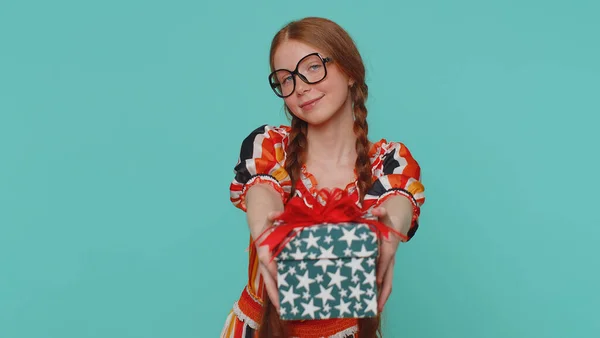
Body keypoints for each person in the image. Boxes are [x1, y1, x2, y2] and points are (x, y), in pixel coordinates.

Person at [220, 17, 425, 338]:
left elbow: (398, 199)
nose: (300, 86)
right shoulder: (270, 144)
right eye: (285, 79)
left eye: (313, 67)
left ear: (351, 72)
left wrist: (390, 233)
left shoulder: (389, 161)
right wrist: (264, 232)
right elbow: (262, 188)